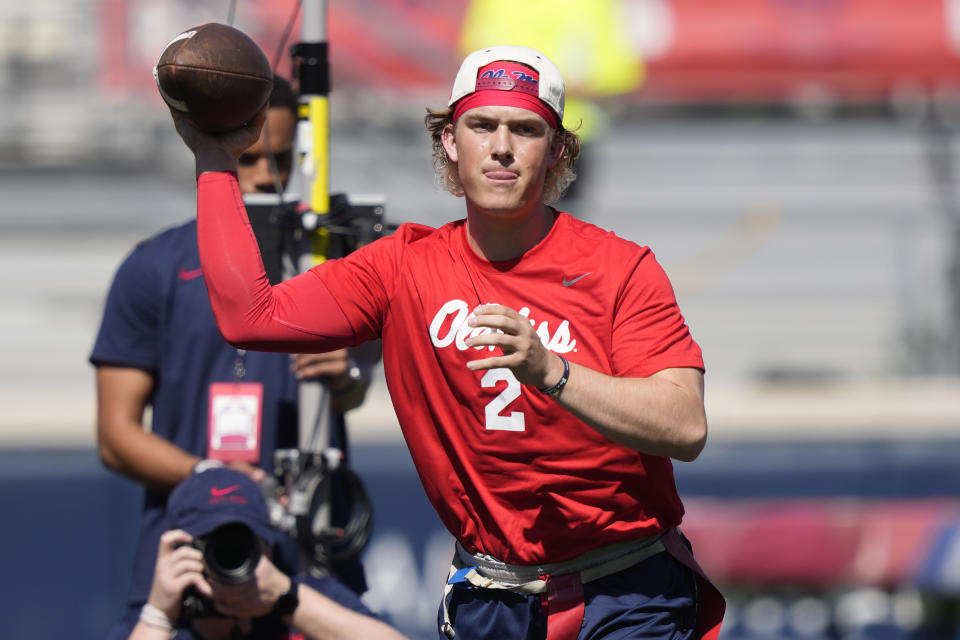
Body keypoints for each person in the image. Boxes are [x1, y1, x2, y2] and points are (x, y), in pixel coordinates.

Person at [170, 46, 725, 640]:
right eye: (482, 126)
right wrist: (213, 158)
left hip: (627, 591)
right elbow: (251, 317)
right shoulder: (401, 266)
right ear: (450, 143)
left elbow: (685, 426)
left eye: (526, 129)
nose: (502, 147)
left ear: (558, 150)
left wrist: (551, 370)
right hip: (492, 596)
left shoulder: (621, 268)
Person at [91, 76, 373, 639]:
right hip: (191, 554)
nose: (267, 174)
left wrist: (351, 372)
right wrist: (210, 477)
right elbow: (115, 436)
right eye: (247, 159)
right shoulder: (154, 267)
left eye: (283, 158)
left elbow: (355, 391)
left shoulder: (338, 259)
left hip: (309, 555)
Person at [130, 467, 407, 640]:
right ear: (183, 550)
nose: (228, 559)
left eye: (242, 544)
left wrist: (286, 600)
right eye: (212, 546)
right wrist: (159, 616)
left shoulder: (310, 597)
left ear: (268, 547)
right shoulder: (163, 621)